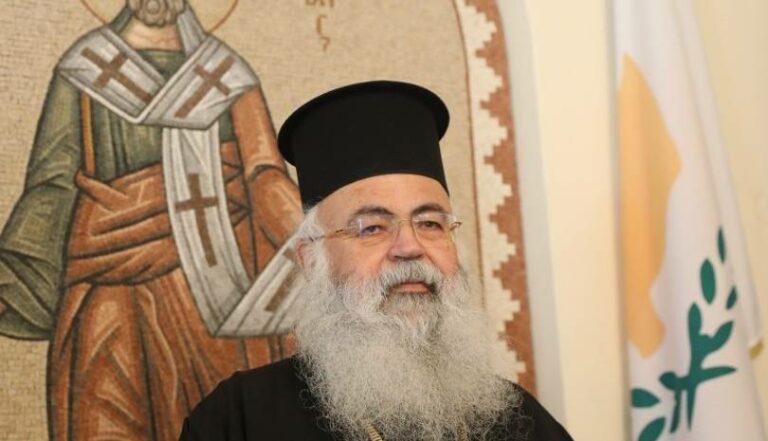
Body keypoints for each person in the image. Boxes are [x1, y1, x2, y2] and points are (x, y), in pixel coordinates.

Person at [178, 81, 573, 441]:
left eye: (430, 223)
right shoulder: (240, 419)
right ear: (312, 261)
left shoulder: (520, 422)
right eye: (372, 228)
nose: (410, 246)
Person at [0, 1, 302, 440]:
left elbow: (264, 173)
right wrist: (15, 274)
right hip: (113, 285)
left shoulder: (224, 72)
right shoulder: (85, 68)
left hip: (217, 297)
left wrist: (315, 238)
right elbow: (53, 183)